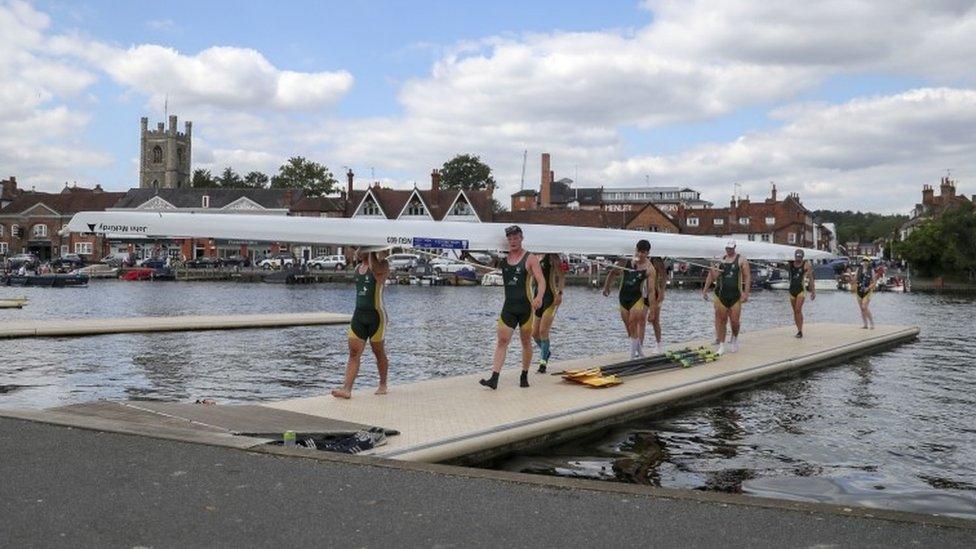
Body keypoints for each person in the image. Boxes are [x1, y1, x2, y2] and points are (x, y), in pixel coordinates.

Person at [461, 225, 545, 389]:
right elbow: (482, 267)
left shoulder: (530, 258)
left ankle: (524, 375)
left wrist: (539, 297)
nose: (513, 241)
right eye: (510, 239)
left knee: (526, 342)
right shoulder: (503, 260)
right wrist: (468, 256)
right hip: (509, 308)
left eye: (515, 238)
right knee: (502, 341)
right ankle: (494, 378)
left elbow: (541, 280)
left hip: (526, 308)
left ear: (521, 238)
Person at [331, 248, 391, 399]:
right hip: (359, 315)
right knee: (353, 352)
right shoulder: (358, 268)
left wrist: (371, 251)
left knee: (378, 352)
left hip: (377, 316)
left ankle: (383, 383)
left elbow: (376, 271)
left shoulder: (383, 265)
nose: (358, 251)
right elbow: (356, 256)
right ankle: (346, 389)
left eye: (361, 248)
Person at [603, 240, 656, 358]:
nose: (640, 255)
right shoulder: (626, 261)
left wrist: (652, 311)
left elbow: (651, 291)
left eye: (643, 252)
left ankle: (631, 356)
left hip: (637, 298)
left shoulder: (650, 268)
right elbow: (613, 272)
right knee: (629, 328)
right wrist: (607, 287)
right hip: (623, 297)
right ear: (635, 250)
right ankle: (640, 352)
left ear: (648, 253)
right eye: (638, 251)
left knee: (633, 322)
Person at [702, 240, 750, 355]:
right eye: (727, 248)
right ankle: (722, 345)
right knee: (722, 320)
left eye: (731, 248)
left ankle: (734, 338)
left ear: (735, 248)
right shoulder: (721, 260)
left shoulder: (741, 259)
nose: (728, 250)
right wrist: (705, 288)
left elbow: (747, 276)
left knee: (734, 322)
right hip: (721, 295)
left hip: (735, 295)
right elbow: (713, 276)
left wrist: (746, 293)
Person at [531, 253, 565, 373]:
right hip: (538, 298)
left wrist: (560, 293)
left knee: (543, 331)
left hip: (550, 298)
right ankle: (546, 352)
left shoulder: (552, 257)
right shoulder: (533, 256)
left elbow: (561, 275)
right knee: (534, 334)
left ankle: (542, 364)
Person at [640, 256, 668, 353]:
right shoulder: (641, 260)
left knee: (655, 320)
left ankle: (659, 344)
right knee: (641, 320)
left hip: (655, 293)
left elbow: (664, 275)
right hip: (644, 293)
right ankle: (640, 346)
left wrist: (662, 291)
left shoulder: (656, 259)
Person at [786, 249, 816, 338]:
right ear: (794, 256)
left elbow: (811, 278)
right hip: (792, 290)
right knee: (795, 311)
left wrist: (813, 291)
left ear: (802, 257)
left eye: (800, 257)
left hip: (800, 290)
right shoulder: (790, 263)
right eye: (797, 257)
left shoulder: (806, 264)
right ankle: (798, 329)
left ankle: (800, 331)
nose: (798, 259)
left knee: (798, 309)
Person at [848, 256, 880, 329]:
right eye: (864, 260)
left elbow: (874, 282)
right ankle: (865, 324)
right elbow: (854, 280)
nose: (865, 262)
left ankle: (872, 323)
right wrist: (850, 274)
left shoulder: (871, 271)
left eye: (866, 261)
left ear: (869, 262)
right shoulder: (858, 269)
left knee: (864, 306)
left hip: (867, 291)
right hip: (859, 290)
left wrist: (868, 288)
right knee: (862, 308)